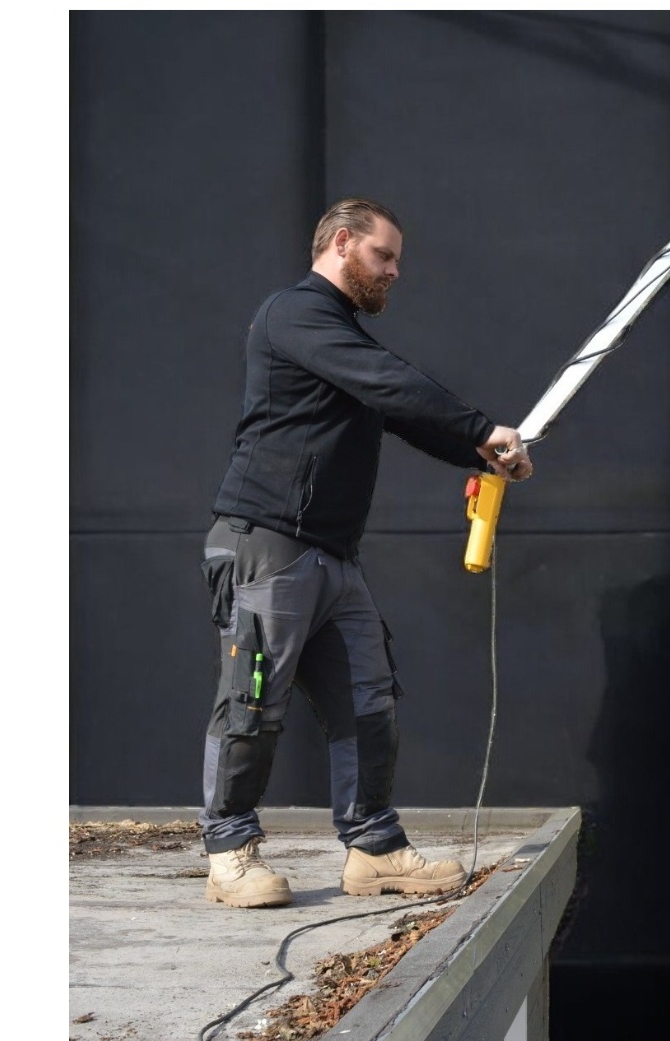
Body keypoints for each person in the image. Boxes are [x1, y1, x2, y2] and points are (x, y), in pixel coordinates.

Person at [196, 198, 534, 908]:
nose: (395, 271)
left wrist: (480, 451)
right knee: (253, 699)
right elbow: (389, 383)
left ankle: (374, 848)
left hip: (332, 557)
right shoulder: (296, 314)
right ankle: (229, 851)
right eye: (385, 257)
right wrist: (480, 425)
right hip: (268, 544)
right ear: (343, 244)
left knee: (368, 702)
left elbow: (394, 410)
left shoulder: (338, 339)